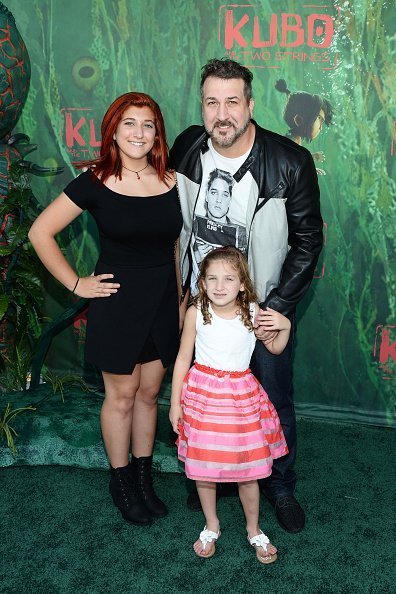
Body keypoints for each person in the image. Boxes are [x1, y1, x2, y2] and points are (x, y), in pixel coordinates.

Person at [170, 58, 323, 533]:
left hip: (260, 311)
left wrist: (277, 307)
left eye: (232, 102)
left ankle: (280, 486)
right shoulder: (187, 149)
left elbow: (308, 242)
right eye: (211, 102)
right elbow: (172, 223)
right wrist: (179, 292)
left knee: (271, 402)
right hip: (204, 309)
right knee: (206, 399)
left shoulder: (289, 162)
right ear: (202, 105)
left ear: (250, 105)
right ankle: (208, 476)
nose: (222, 114)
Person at [29, 92, 182, 526]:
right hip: (117, 301)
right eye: (129, 123)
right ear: (113, 129)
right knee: (122, 396)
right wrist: (77, 283)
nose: (139, 132)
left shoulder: (172, 179)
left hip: (162, 302)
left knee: (150, 394)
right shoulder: (94, 179)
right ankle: (120, 481)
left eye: (148, 124)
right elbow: (40, 232)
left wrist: (181, 298)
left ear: (158, 132)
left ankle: (143, 476)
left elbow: (174, 246)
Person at [169, 247, 289, 562]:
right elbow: (183, 359)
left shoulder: (253, 312)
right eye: (212, 278)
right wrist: (174, 404)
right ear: (203, 283)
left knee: (248, 471)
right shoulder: (196, 312)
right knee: (204, 471)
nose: (220, 285)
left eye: (228, 278)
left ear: (241, 284)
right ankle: (211, 525)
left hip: (241, 404)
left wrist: (285, 326)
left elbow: (274, 348)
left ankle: (254, 529)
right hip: (202, 400)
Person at [192, 167, 247, 272]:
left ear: (230, 199)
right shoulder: (194, 224)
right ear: (207, 195)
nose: (218, 200)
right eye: (214, 192)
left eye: (225, 195)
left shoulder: (241, 234)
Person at [275, 79, 334, 175]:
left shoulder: (294, 139)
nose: (320, 127)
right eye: (319, 119)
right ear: (298, 120)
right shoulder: (291, 140)